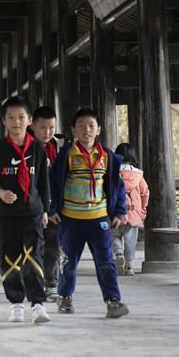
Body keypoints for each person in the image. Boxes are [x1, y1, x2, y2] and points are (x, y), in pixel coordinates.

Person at [49, 108, 129, 318]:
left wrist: (119, 212)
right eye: (81, 125)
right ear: (73, 130)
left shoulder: (107, 157)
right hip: (70, 220)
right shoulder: (66, 155)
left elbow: (118, 187)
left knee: (106, 262)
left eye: (91, 125)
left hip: (99, 219)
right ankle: (65, 297)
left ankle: (113, 301)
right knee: (69, 262)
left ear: (99, 130)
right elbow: (52, 183)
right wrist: (52, 209)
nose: (87, 130)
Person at [0, 96, 51, 324]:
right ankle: (16, 304)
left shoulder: (38, 148)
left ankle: (38, 304)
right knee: (9, 259)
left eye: (21, 117)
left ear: (30, 120)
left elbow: (43, 182)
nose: (16, 122)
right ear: (3, 121)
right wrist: (0, 193)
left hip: (32, 212)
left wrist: (46, 209)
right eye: (11, 118)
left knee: (34, 259)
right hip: (7, 214)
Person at [31, 106, 66, 301]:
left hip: (55, 207)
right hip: (32, 206)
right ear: (33, 126)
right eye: (43, 128)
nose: (47, 132)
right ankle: (34, 282)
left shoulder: (61, 148)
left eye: (51, 127)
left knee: (53, 246)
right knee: (34, 247)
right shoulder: (25, 148)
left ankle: (51, 284)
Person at [113, 143, 149, 276]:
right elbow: (145, 192)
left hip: (116, 212)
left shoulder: (113, 172)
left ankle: (118, 253)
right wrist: (143, 208)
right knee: (130, 240)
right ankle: (129, 266)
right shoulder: (138, 174)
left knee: (114, 235)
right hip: (133, 212)